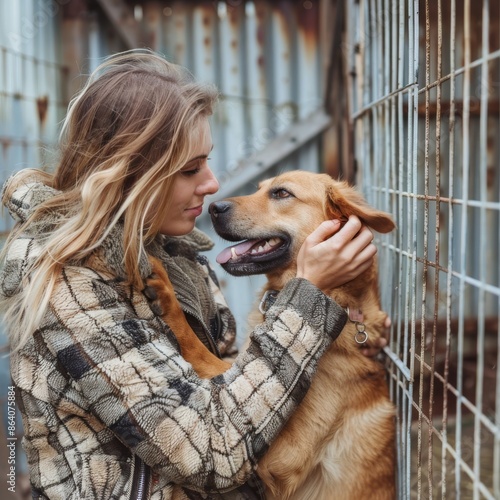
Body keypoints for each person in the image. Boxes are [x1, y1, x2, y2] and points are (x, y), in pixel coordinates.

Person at [0, 50, 383, 499]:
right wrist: (309, 300)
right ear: (128, 173)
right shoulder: (68, 283)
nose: (214, 184)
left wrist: (347, 324)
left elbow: (231, 387)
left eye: (207, 160)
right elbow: (216, 453)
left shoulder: (176, 255)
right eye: (189, 169)